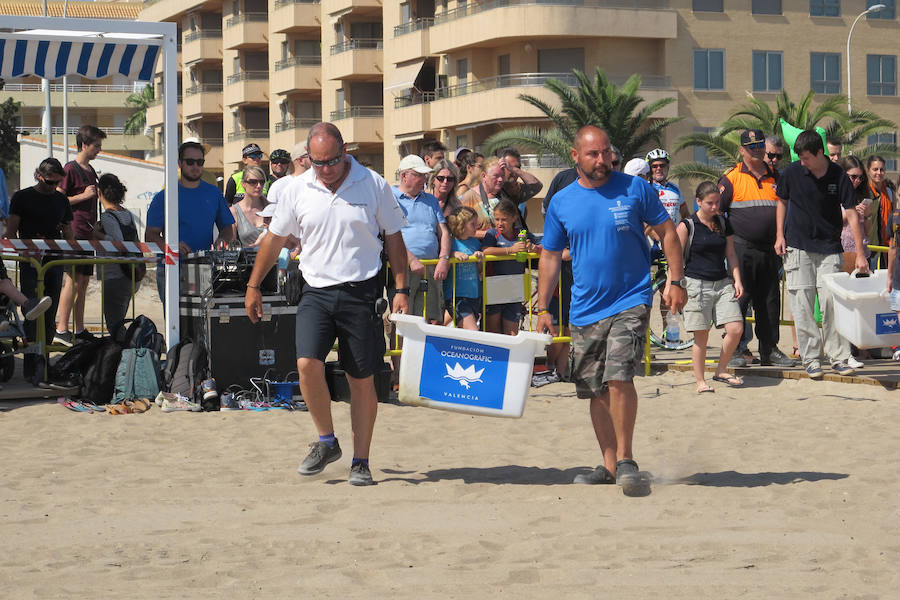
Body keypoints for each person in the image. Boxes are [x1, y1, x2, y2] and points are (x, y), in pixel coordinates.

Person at [244, 122, 410, 486]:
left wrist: (401, 288)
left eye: (332, 161)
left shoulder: (373, 183)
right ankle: (326, 441)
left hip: (361, 291)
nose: (326, 169)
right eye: (318, 162)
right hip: (315, 290)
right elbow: (274, 240)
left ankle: (361, 461)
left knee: (361, 378)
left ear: (345, 150)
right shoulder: (298, 188)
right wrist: (254, 285)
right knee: (306, 364)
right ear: (308, 158)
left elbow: (395, 239)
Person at [536, 125, 686, 495]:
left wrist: (676, 281)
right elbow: (551, 256)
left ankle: (626, 460)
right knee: (592, 388)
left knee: (619, 376)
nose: (602, 161)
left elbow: (668, 233)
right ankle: (607, 464)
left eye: (606, 153)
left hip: (631, 299)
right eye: (593, 154)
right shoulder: (562, 202)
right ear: (575, 157)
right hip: (585, 307)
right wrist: (543, 307)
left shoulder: (635, 188)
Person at [775, 129, 867, 380]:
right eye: (799, 158)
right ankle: (811, 359)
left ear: (819, 152)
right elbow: (781, 201)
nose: (801, 162)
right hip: (797, 246)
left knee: (831, 304)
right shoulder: (792, 172)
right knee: (801, 305)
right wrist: (779, 235)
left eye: (805, 157)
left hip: (829, 248)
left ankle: (837, 356)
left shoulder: (839, 175)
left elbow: (851, 214)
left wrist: (860, 253)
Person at [719, 129, 795, 368]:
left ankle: (769, 350)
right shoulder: (731, 178)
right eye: (751, 147)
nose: (757, 150)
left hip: (770, 250)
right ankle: (733, 351)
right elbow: (717, 213)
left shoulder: (777, 177)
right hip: (741, 249)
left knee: (770, 302)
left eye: (760, 146)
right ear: (741, 150)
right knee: (739, 301)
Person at [5, 158, 73, 383]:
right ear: (39, 176)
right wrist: (24, 252)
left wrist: (70, 240)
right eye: (49, 183)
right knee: (33, 312)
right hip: (31, 263)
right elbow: (11, 232)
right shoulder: (22, 197)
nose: (53, 188)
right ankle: (32, 363)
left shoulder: (61, 200)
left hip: (54, 261)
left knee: (50, 314)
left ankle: (44, 360)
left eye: (56, 183)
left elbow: (69, 233)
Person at [145, 141, 236, 302]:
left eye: (200, 162)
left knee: (202, 324)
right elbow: (150, 235)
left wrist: (222, 240)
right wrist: (171, 246)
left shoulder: (213, 193)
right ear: (180, 163)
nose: (195, 166)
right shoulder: (164, 197)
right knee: (175, 325)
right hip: (171, 268)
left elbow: (228, 227)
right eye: (190, 162)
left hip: (205, 268)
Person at [678, 182, 744, 393]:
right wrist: (677, 286)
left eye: (717, 202)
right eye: (710, 203)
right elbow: (676, 259)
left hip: (722, 282)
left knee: (736, 328)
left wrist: (737, 279)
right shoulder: (687, 225)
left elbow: (731, 253)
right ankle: (700, 381)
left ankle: (721, 369)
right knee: (701, 335)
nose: (715, 207)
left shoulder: (723, 223)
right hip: (696, 283)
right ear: (698, 202)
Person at [54, 124, 106, 346]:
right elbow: (57, 199)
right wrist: (82, 196)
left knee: (84, 282)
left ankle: (79, 328)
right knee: (72, 281)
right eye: (96, 146)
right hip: (73, 233)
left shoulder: (91, 171)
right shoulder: (69, 169)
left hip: (88, 234)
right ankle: (61, 329)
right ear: (84, 144)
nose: (99, 150)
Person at [392, 154, 450, 322]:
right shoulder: (389, 197)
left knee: (432, 318)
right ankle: (401, 348)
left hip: (431, 266)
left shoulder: (430, 199)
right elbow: (390, 234)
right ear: (404, 176)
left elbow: (444, 231)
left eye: (425, 175)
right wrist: (411, 259)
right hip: (402, 268)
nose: (424, 179)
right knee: (404, 319)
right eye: (419, 175)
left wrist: (444, 258)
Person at [482, 199, 540, 335]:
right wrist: (510, 250)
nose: (499, 223)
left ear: (514, 218)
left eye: (504, 219)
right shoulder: (492, 233)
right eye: (496, 219)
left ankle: (510, 356)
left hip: (515, 286)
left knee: (512, 332)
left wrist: (533, 247)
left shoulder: (521, 233)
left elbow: (539, 243)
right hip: (495, 285)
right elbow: (485, 250)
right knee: (493, 330)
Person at [94, 173, 141, 331]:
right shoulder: (127, 214)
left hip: (115, 274)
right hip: (132, 274)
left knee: (114, 324)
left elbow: (118, 244)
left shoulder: (108, 216)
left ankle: (121, 351)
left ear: (99, 192)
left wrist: (97, 235)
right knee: (119, 319)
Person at [443, 206, 484, 330]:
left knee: (464, 333)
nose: (477, 226)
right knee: (472, 331)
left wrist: (479, 258)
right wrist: (453, 254)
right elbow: (443, 257)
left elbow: (479, 270)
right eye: (473, 224)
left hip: (474, 295)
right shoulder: (450, 242)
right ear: (461, 225)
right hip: (456, 296)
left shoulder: (476, 243)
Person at [498, 147, 543, 223]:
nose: (514, 172)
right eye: (508, 167)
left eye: (518, 167)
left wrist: (513, 169)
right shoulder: (493, 188)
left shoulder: (517, 188)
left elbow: (537, 186)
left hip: (519, 233)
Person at [866, 155, 894, 269]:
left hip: (885, 247)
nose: (879, 173)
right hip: (868, 247)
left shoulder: (889, 192)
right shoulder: (864, 192)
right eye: (875, 169)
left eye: (882, 169)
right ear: (868, 171)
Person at [230, 165, 269, 247]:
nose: (258, 186)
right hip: (246, 258)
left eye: (262, 182)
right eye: (253, 182)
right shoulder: (234, 211)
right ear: (243, 184)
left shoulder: (271, 209)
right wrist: (256, 245)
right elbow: (231, 247)